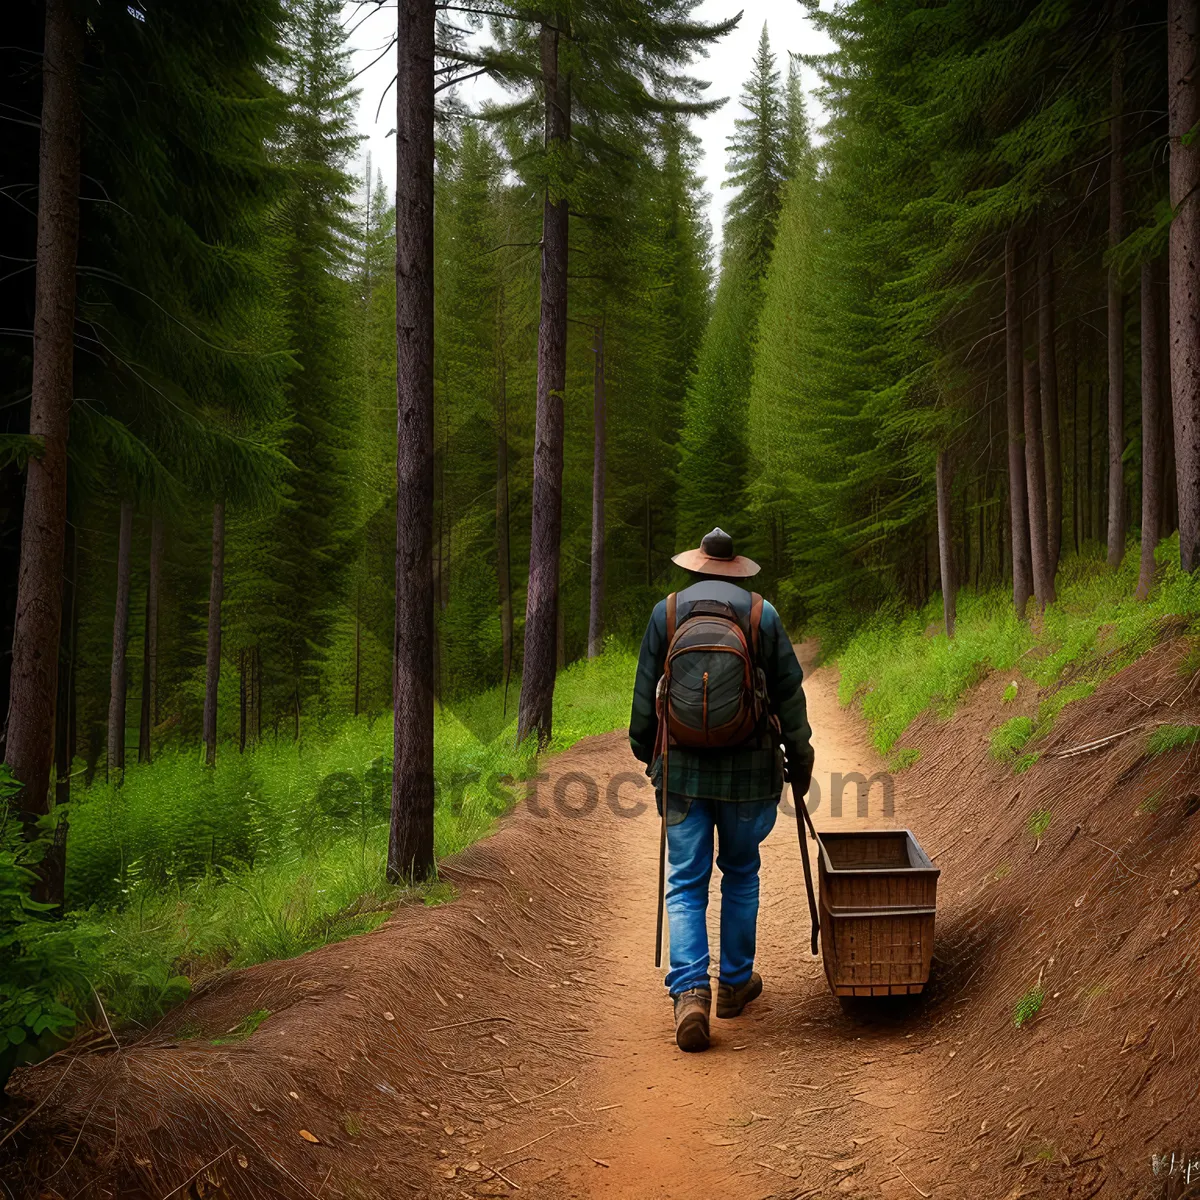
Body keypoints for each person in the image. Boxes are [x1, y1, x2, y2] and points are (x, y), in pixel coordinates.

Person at [629, 527, 814, 1052]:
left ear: (695, 567)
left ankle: (690, 993)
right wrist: (800, 763)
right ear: (735, 568)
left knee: (686, 881)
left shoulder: (666, 614)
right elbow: (789, 698)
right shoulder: (762, 615)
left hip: (683, 772)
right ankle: (733, 984)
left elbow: (645, 698)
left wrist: (653, 757)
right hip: (749, 772)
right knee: (741, 872)